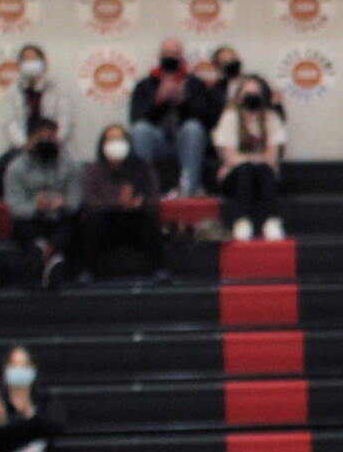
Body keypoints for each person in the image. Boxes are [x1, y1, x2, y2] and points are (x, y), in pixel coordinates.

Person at [80, 123, 166, 282]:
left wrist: (139, 203)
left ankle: (159, 269)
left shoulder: (142, 167)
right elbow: (90, 201)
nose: (115, 143)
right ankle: (87, 271)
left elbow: (154, 198)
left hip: (134, 219)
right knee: (92, 223)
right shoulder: (93, 170)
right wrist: (117, 203)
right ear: (103, 144)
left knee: (149, 220)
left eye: (119, 139)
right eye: (111, 139)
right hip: (107, 221)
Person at [128, 36, 213, 197]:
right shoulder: (144, 85)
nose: (170, 57)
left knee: (193, 128)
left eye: (175, 53)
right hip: (156, 139)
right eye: (166, 53)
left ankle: (189, 189)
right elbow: (136, 118)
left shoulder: (195, 84)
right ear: (159, 56)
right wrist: (159, 100)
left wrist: (182, 103)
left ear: (182, 57)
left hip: (184, 139)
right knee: (140, 130)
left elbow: (205, 120)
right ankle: (145, 189)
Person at [3, 117, 80, 289]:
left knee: (70, 229)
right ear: (31, 139)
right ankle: (51, 260)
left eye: (51, 137)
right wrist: (35, 207)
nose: (47, 142)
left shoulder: (70, 166)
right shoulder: (16, 168)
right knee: (24, 230)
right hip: (31, 221)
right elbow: (14, 205)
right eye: (41, 137)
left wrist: (63, 204)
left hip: (60, 219)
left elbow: (75, 201)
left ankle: (46, 256)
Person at [213, 74, 287, 242]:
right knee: (246, 169)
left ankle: (271, 222)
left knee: (263, 169)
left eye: (256, 93)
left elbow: (271, 157)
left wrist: (249, 159)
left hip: (263, 177)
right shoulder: (230, 118)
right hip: (235, 178)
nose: (252, 98)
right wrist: (256, 159)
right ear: (238, 98)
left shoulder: (271, 118)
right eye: (247, 94)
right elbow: (230, 158)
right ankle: (241, 221)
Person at [3, 44, 73, 161]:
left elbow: (65, 120)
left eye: (33, 59)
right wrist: (25, 144)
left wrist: (53, 140)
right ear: (19, 65)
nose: (30, 63)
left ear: (43, 62)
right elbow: (10, 123)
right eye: (26, 60)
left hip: (53, 148)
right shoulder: (13, 91)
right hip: (22, 149)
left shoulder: (57, 89)